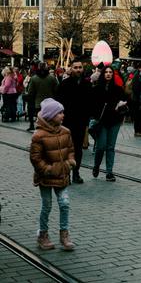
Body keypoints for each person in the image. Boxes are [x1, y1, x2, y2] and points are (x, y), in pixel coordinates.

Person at [29, 98, 76, 251]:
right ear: (50, 115)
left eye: (62, 112)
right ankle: (43, 234)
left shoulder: (66, 132)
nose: (63, 115)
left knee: (65, 203)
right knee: (47, 205)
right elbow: (36, 158)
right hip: (46, 177)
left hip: (62, 175)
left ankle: (64, 234)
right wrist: (48, 170)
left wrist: (70, 162)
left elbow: (70, 150)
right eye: (59, 113)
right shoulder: (38, 136)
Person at [55, 59, 93, 184]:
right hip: (67, 122)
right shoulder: (64, 84)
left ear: (83, 69)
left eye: (80, 67)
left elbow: (90, 103)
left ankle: (76, 172)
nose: (78, 69)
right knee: (65, 149)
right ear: (71, 69)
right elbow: (58, 102)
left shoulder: (87, 84)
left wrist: (87, 119)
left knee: (78, 149)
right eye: (75, 67)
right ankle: (67, 174)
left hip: (81, 122)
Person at [90, 66, 127, 181]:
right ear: (103, 74)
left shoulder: (118, 89)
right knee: (101, 147)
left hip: (114, 121)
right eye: (106, 72)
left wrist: (121, 106)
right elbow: (92, 106)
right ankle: (96, 166)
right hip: (101, 122)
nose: (108, 74)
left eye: (110, 72)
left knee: (110, 147)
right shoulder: (96, 89)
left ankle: (109, 172)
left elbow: (125, 102)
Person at [26, 63, 59, 131]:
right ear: (47, 68)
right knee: (50, 118)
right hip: (50, 103)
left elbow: (30, 92)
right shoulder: (52, 78)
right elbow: (57, 90)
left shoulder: (34, 78)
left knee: (40, 119)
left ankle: (33, 126)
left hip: (38, 103)